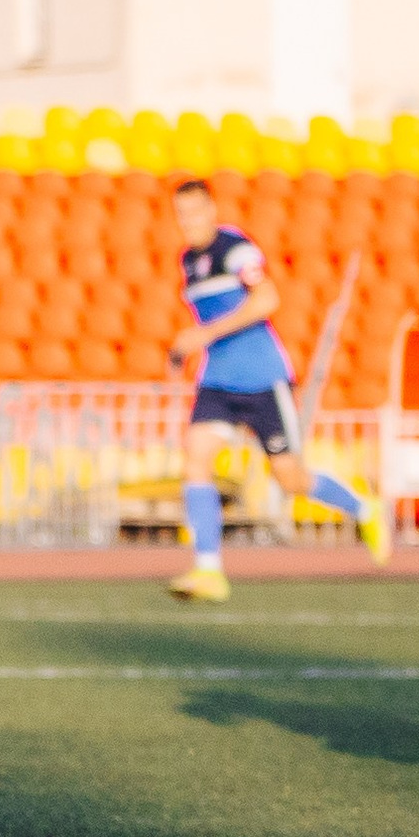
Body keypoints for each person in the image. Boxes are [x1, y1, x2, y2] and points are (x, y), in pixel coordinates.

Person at [164, 178, 389, 604]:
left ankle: (364, 508)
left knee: (290, 477)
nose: (188, 221)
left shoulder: (237, 251)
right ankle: (209, 570)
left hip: (263, 379)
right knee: (195, 458)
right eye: (181, 214)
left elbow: (267, 300)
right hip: (217, 381)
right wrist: (182, 352)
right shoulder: (187, 261)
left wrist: (203, 334)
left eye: (195, 211)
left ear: (212, 210)